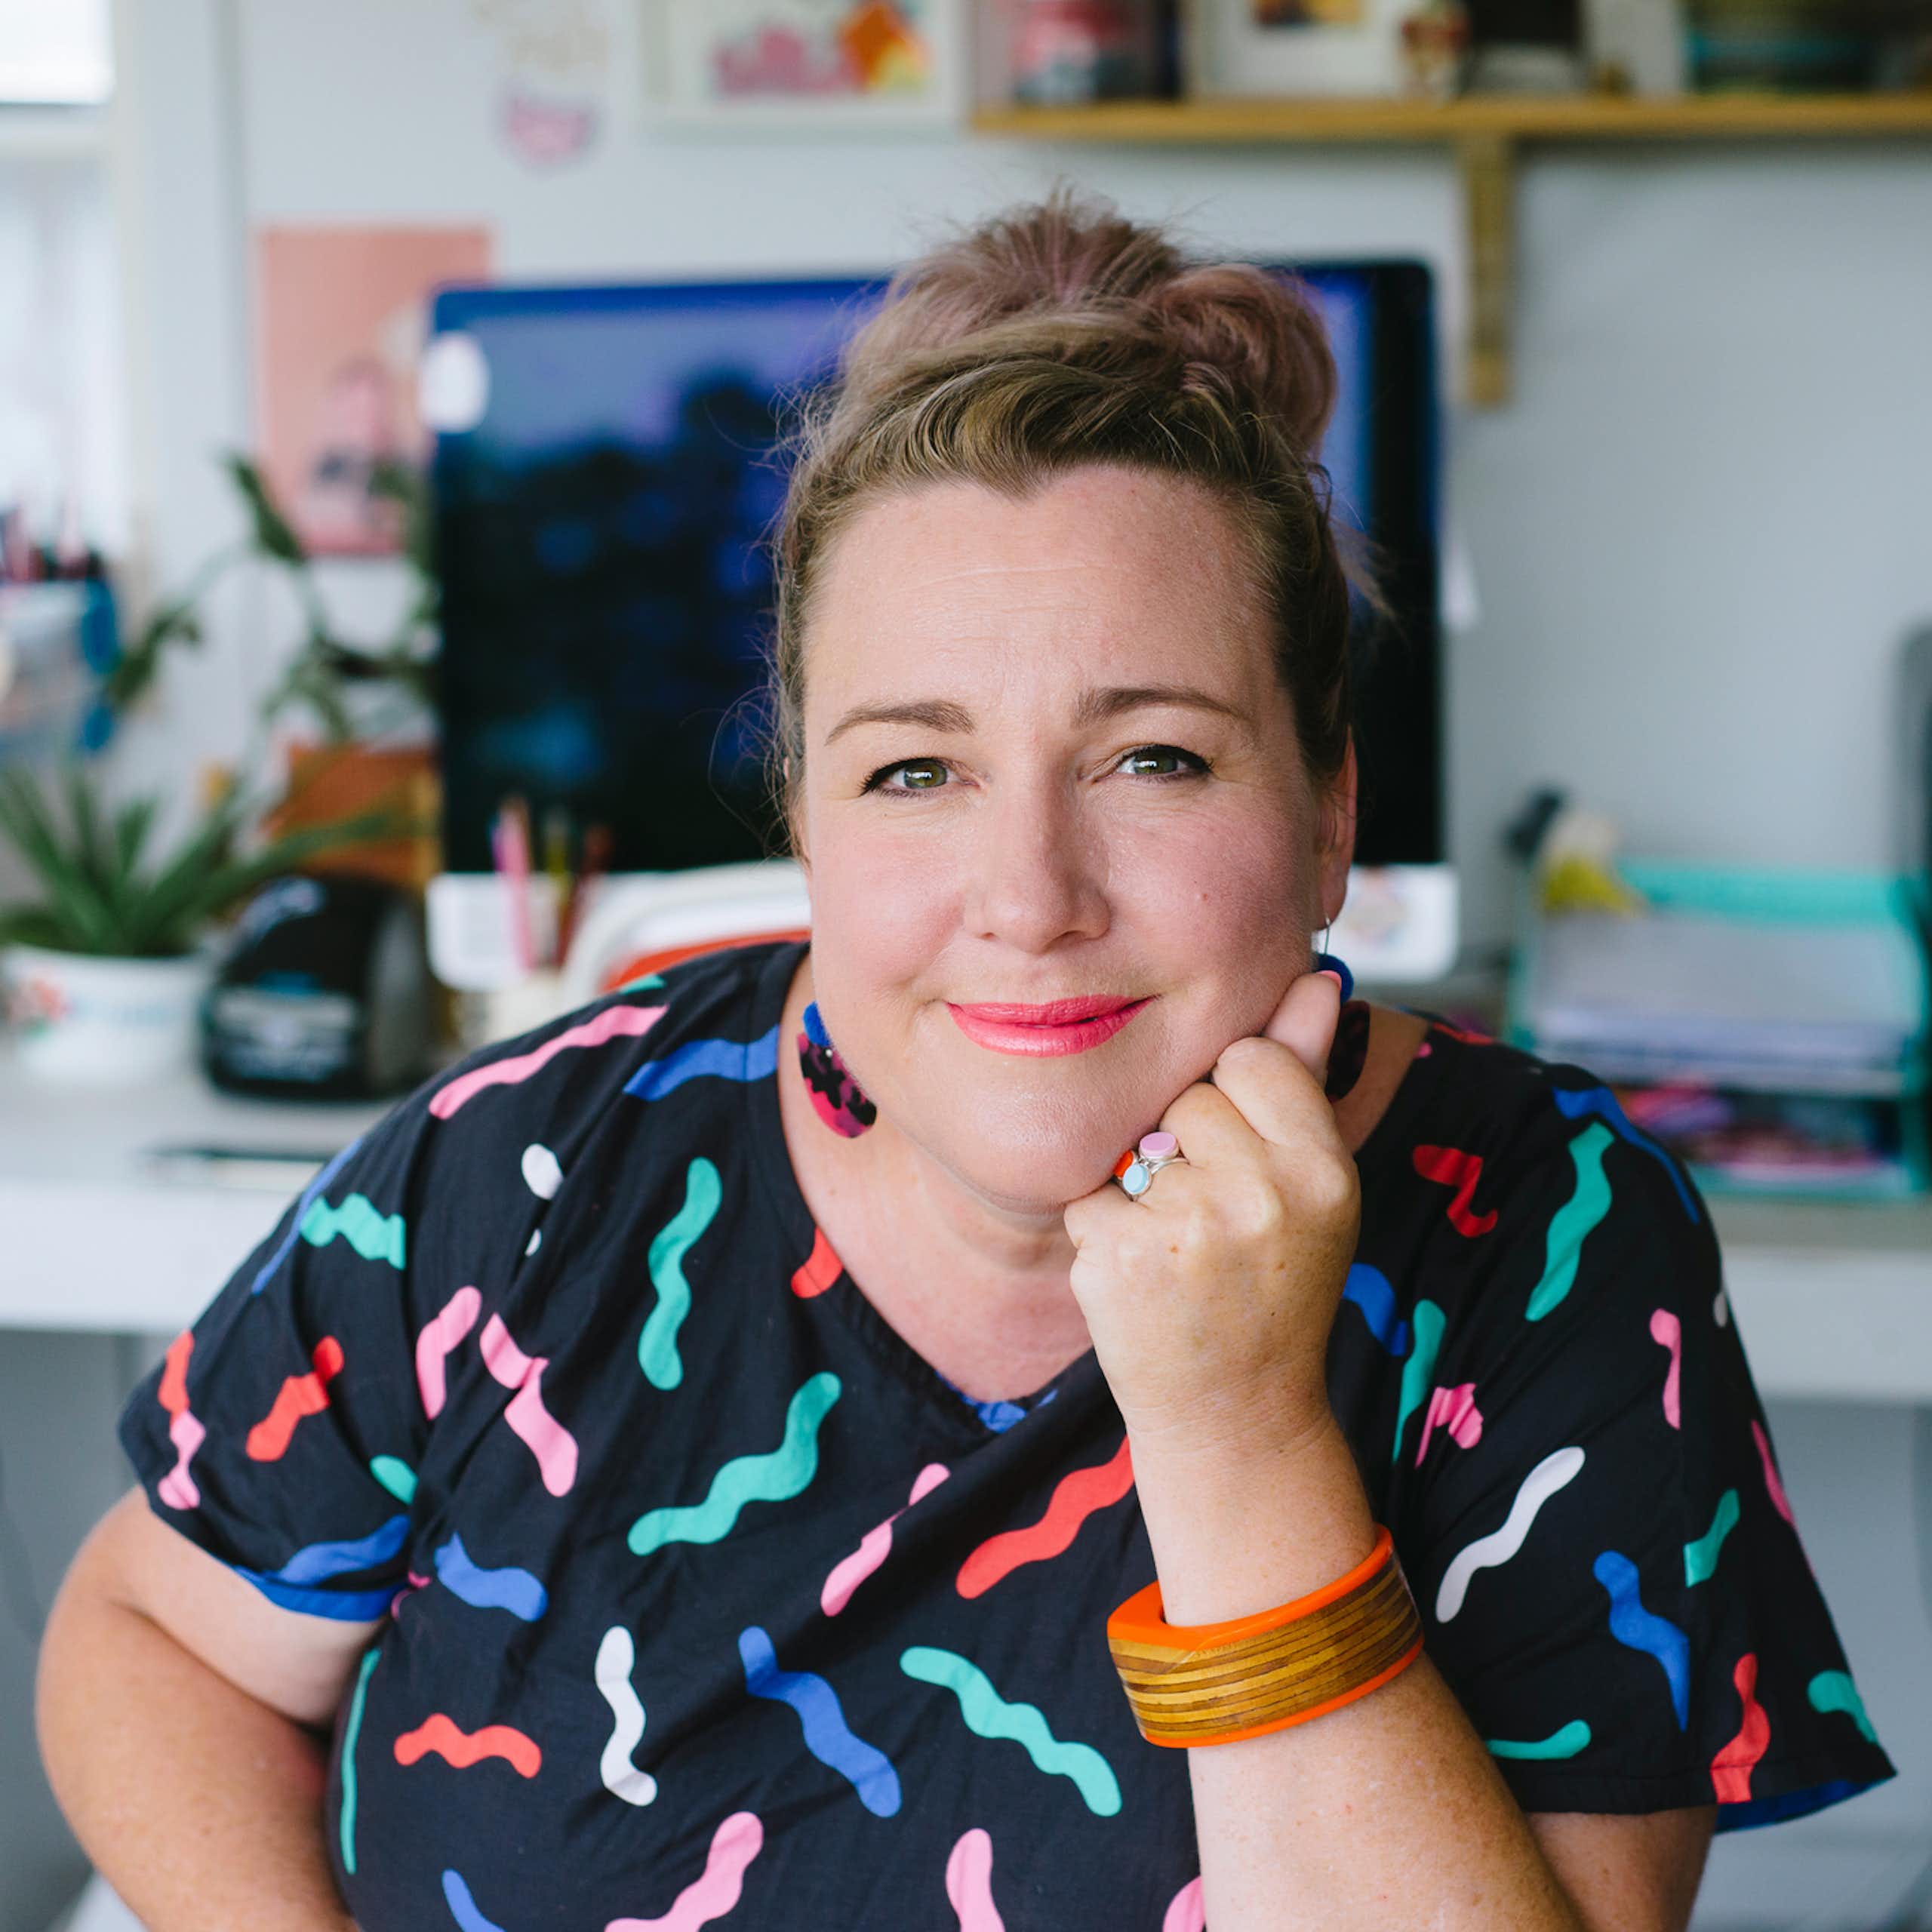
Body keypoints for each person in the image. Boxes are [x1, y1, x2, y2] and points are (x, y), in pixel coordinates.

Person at [38, 189, 1891, 1930]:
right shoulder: (516, 1170)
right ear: (804, 819)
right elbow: (156, 1633)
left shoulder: (1549, 1238)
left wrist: (1233, 1417)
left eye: (1151, 756)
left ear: (1330, 810)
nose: (1026, 895)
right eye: (913, 767)